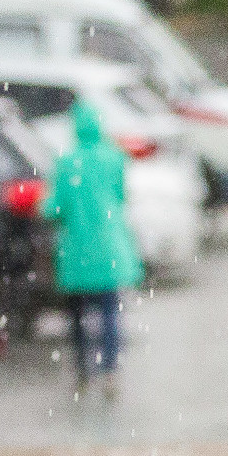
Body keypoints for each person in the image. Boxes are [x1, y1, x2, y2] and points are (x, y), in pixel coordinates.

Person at [42, 96, 142, 396]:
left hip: (77, 251)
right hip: (110, 248)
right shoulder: (115, 158)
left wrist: (42, 206)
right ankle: (110, 369)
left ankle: (82, 369)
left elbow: (56, 209)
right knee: (111, 312)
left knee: (77, 315)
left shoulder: (66, 162)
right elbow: (122, 197)